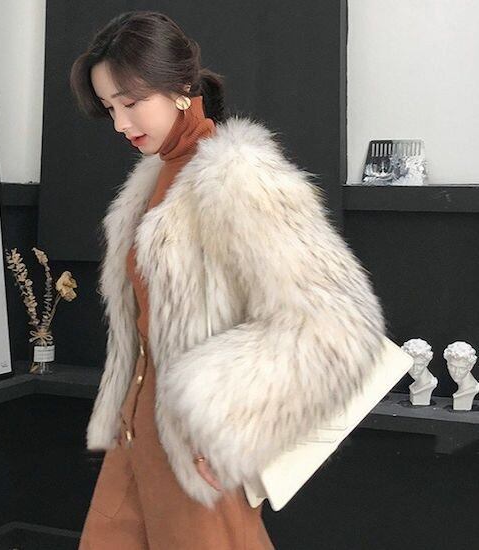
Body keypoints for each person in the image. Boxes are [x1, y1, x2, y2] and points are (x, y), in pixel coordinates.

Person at [70, 10, 386, 549]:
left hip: (196, 452)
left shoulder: (236, 175)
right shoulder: (157, 176)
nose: (121, 124)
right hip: (138, 435)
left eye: (131, 102)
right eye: (110, 108)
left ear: (180, 87)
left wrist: (227, 422)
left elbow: (336, 325)